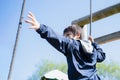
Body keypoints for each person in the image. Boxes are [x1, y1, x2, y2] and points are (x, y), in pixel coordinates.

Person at [25, 12, 106, 80]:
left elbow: (56, 37)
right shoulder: (92, 49)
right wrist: (94, 44)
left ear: (77, 35)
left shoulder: (71, 44)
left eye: (67, 35)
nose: (65, 38)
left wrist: (40, 27)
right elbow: (101, 56)